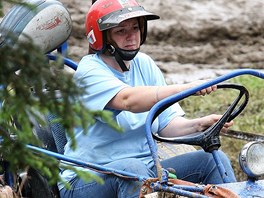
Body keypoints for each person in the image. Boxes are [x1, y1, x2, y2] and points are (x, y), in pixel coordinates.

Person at [59, 0, 236, 197]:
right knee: (132, 171)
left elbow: (165, 124)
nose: (131, 36)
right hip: (88, 178)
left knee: (213, 160)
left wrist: (199, 124)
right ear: (102, 38)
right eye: (121, 30)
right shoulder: (89, 71)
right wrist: (187, 88)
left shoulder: (144, 63)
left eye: (135, 27)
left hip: (146, 170)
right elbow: (128, 100)